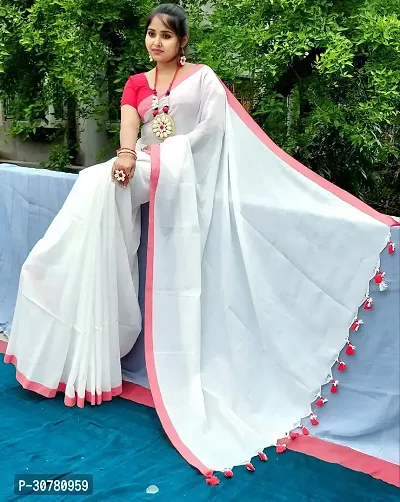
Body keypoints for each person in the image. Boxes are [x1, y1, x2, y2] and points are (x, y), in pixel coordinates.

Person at [4, 3, 397, 482]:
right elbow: (131, 126)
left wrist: (171, 155)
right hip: (145, 165)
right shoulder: (135, 83)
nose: (156, 42)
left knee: (97, 182)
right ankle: (57, 297)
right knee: (95, 181)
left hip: (186, 174)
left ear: (182, 42)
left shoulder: (203, 78)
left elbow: (213, 130)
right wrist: (129, 153)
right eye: (151, 34)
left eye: (166, 36)